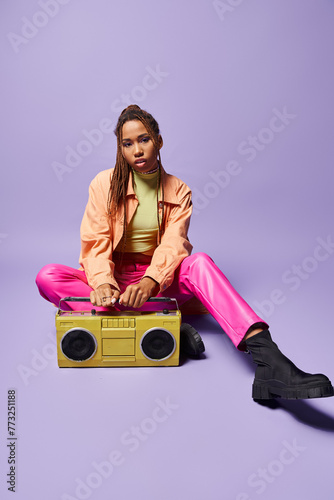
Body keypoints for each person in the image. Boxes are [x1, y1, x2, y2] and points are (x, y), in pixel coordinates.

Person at [36, 104, 333, 401]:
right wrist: (101, 281)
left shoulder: (179, 190)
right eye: (127, 144)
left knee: (200, 262)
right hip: (114, 283)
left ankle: (271, 363)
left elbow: (174, 244)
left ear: (159, 141)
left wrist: (151, 281)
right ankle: (166, 325)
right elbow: (95, 239)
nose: (137, 150)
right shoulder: (104, 184)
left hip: (160, 284)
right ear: (121, 149)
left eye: (144, 140)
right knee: (48, 276)